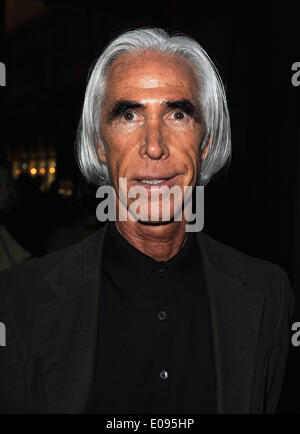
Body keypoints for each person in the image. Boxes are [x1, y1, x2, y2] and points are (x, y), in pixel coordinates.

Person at [0, 28, 294, 414]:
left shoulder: (268, 294)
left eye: (177, 113)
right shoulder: (18, 299)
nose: (154, 145)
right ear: (101, 145)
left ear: (205, 142)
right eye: (128, 114)